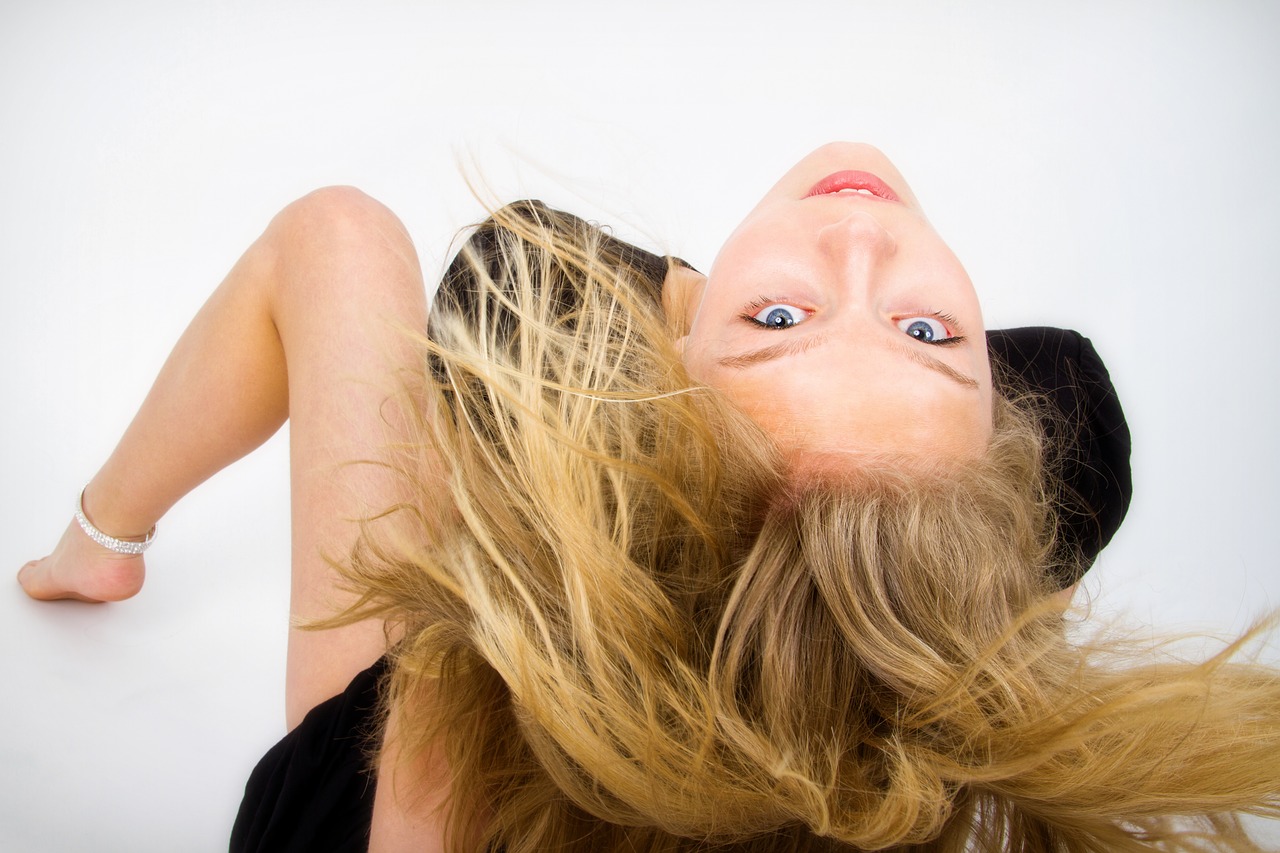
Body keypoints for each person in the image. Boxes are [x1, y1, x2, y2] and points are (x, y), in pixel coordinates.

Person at [17, 144, 1280, 852]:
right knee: (1065, 422)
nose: (863, 243)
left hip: (358, 818)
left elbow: (508, 276)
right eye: (930, 333)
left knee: (340, 232)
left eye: (775, 323)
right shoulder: (1027, 486)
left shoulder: (469, 701)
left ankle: (97, 544)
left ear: (644, 418)